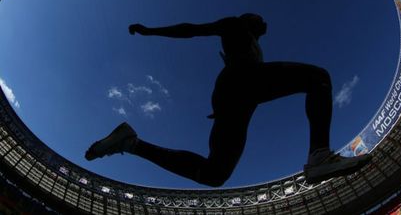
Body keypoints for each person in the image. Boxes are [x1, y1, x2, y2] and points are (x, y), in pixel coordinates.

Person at [85, 13, 372, 187]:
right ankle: (319, 154)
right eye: (258, 18)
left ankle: (131, 143)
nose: (264, 22)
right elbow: (191, 29)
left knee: (215, 174)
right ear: (248, 19)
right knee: (318, 78)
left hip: (237, 100)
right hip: (239, 82)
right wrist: (150, 30)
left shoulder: (251, 41)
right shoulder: (235, 26)